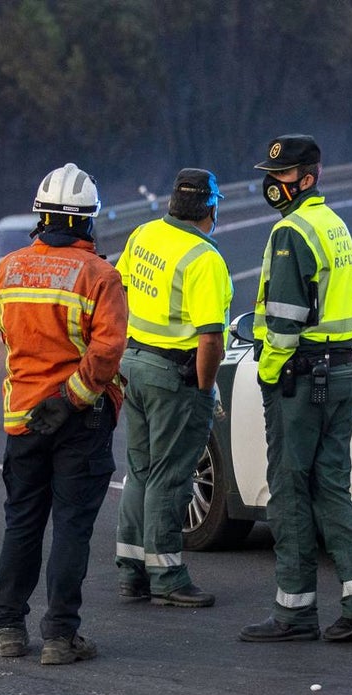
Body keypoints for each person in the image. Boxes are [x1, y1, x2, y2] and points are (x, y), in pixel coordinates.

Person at [239, 134, 352, 643]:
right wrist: (330, 330)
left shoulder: (290, 233)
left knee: (290, 491)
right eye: (272, 175)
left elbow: (282, 321)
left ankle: (294, 611)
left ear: (308, 177)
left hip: (300, 379)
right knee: (331, 489)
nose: (273, 185)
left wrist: (269, 370)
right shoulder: (334, 226)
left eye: (282, 177)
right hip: (340, 371)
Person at [0, 162, 128, 666]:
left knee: (21, 524)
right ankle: (59, 637)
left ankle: (7, 629)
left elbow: (11, 339)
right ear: (89, 220)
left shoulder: (7, 270)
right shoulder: (99, 275)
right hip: (80, 419)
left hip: (21, 419)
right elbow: (108, 350)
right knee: (71, 527)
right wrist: (70, 397)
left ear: (40, 215)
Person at [114, 168, 232, 608]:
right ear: (212, 208)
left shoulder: (143, 234)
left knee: (139, 472)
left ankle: (131, 571)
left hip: (135, 364)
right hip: (175, 377)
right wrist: (205, 390)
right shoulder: (205, 260)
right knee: (170, 475)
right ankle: (166, 573)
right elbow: (210, 339)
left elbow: (120, 290)